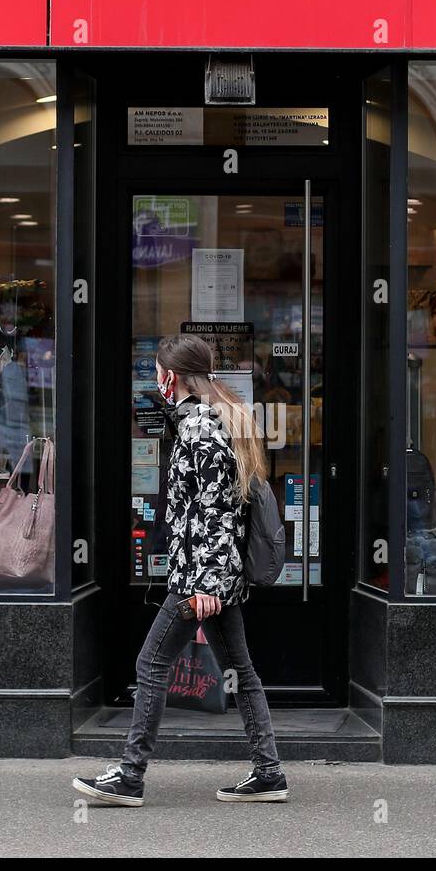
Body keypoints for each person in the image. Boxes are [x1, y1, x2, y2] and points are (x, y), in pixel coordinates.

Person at [73, 333, 288, 806]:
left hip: (200, 582)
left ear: (170, 377)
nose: (155, 380)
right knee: (243, 671)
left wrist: (206, 584)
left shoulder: (200, 429)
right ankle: (269, 773)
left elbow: (214, 512)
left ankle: (130, 775)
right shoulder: (212, 421)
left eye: (156, 372)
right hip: (211, 576)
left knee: (150, 664)